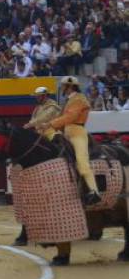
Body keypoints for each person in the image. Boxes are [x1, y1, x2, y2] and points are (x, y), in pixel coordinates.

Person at [40, 77, 100, 206]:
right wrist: (49, 127)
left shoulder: (79, 98)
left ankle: (94, 191)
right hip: (66, 133)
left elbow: (70, 117)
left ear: (70, 87)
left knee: (82, 163)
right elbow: (62, 119)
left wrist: (50, 123)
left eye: (63, 86)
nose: (62, 88)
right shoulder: (69, 100)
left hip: (77, 133)